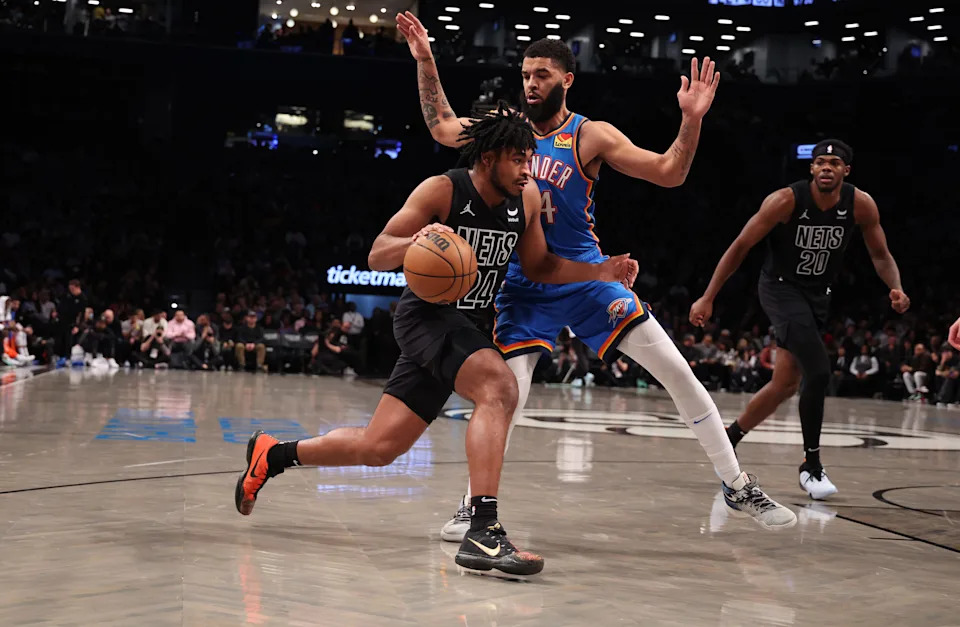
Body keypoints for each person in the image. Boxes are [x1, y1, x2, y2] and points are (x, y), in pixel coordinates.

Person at [396, 15, 796, 537]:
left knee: (678, 372)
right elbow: (441, 125)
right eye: (525, 73)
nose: (531, 82)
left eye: (542, 74)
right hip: (524, 286)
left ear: (567, 80)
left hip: (588, 279)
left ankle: (736, 482)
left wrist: (692, 119)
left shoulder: (590, 135)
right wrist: (426, 58)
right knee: (506, 397)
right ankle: (474, 506)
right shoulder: (503, 130)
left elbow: (669, 172)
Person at [235, 107, 635, 577]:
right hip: (426, 318)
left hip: (468, 329)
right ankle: (483, 528)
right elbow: (378, 253)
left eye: (530, 158)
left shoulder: (524, 201)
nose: (528, 169)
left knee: (379, 447)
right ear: (488, 157)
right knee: (500, 387)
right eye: (518, 159)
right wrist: (419, 242)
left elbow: (541, 267)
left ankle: (274, 454)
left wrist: (599, 270)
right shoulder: (442, 189)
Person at [690, 139, 910, 499]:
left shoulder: (860, 205)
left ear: (846, 171)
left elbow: (881, 254)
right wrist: (708, 296)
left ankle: (728, 438)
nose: (826, 168)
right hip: (779, 289)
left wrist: (896, 287)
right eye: (820, 162)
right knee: (819, 371)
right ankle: (811, 466)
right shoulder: (786, 201)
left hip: (817, 295)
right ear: (811, 168)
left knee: (785, 384)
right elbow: (741, 245)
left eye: (834, 163)